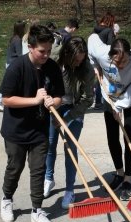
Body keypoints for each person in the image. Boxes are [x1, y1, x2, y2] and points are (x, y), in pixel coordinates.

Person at [0, 24, 64, 222]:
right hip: (16, 130)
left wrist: (53, 102)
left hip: (39, 130)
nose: (46, 55)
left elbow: (59, 96)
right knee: (15, 167)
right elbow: (7, 100)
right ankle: (7, 200)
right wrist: (35, 101)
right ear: (30, 46)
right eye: (41, 51)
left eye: (48, 51)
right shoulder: (17, 67)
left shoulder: (52, 67)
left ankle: (37, 210)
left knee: (38, 170)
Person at [88, 35, 131, 200]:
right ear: (110, 56)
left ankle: (128, 179)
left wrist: (119, 108)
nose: (121, 66)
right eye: (117, 63)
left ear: (130, 55)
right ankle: (119, 173)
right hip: (111, 96)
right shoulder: (102, 53)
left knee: (129, 135)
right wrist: (95, 66)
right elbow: (92, 38)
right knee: (112, 136)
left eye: (124, 62)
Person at [44, 37, 95, 210]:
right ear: (66, 54)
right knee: (50, 143)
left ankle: (70, 189)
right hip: (53, 105)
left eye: (81, 59)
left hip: (74, 108)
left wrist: (67, 118)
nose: (78, 63)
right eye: (75, 60)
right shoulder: (53, 57)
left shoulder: (87, 69)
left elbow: (87, 99)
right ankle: (48, 179)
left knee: (70, 149)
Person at [0, 20, 26, 111]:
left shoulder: (13, 38)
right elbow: (20, 54)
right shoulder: (18, 40)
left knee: (10, 84)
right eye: (24, 27)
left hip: (9, 63)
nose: (25, 29)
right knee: (10, 84)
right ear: (21, 28)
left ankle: (4, 101)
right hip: (13, 64)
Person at [92, 13, 117, 110]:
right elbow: (111, 45)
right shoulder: (109, 30)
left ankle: (98, 101)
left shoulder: (95, 30)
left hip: (93, 56)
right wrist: (114, 36)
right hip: (104, 57)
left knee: (98, 78)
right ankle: (106, 100)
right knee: (104, 78)